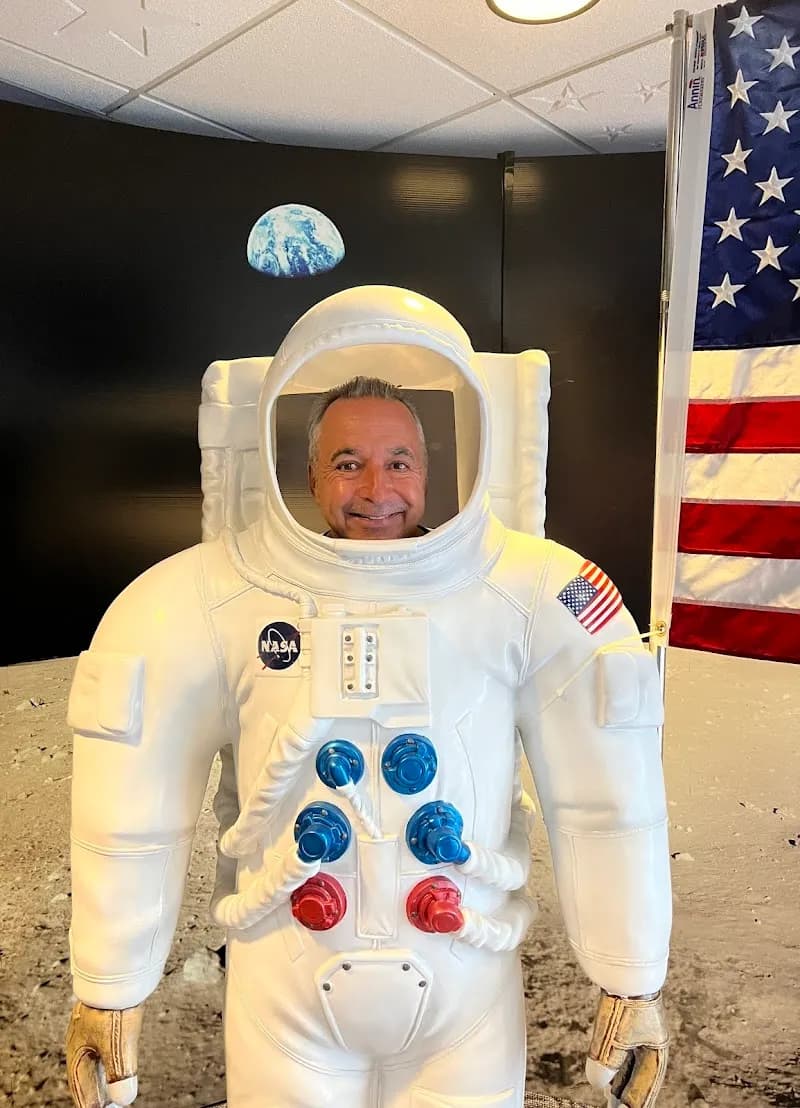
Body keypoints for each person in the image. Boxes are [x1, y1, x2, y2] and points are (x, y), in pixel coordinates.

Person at [65, 285, 671, 1108]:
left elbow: (608, 805)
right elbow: (130, 819)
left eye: (399, 462)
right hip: (286, 992)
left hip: (464, 994)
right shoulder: (208, 599)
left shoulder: (538, 594)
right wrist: (107, 990)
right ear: (309, 476)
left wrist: (632, 984)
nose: (376, 487)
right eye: (348, 463)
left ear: (432, 470)